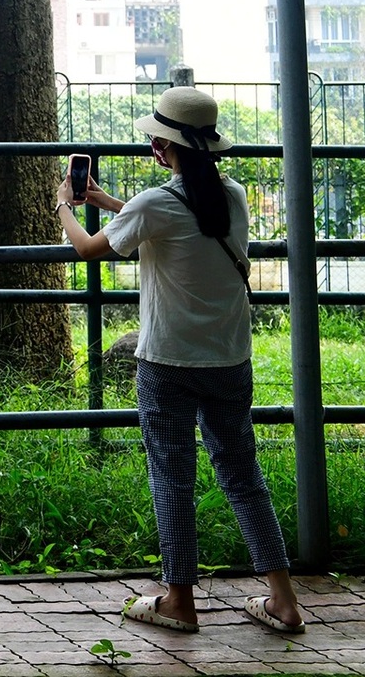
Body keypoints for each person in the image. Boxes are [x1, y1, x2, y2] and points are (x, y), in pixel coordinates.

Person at [55, 86, 303, 636]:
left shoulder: (155, 204)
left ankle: (178, 601)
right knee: (243, 476)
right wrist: (112, 205)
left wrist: (65, 208)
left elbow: (89, 250)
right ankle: (284, 602)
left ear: (161, 150)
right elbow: (183, 227)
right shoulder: (232, 197)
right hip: (230, 361)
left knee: (173, 478)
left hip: (167, 364)